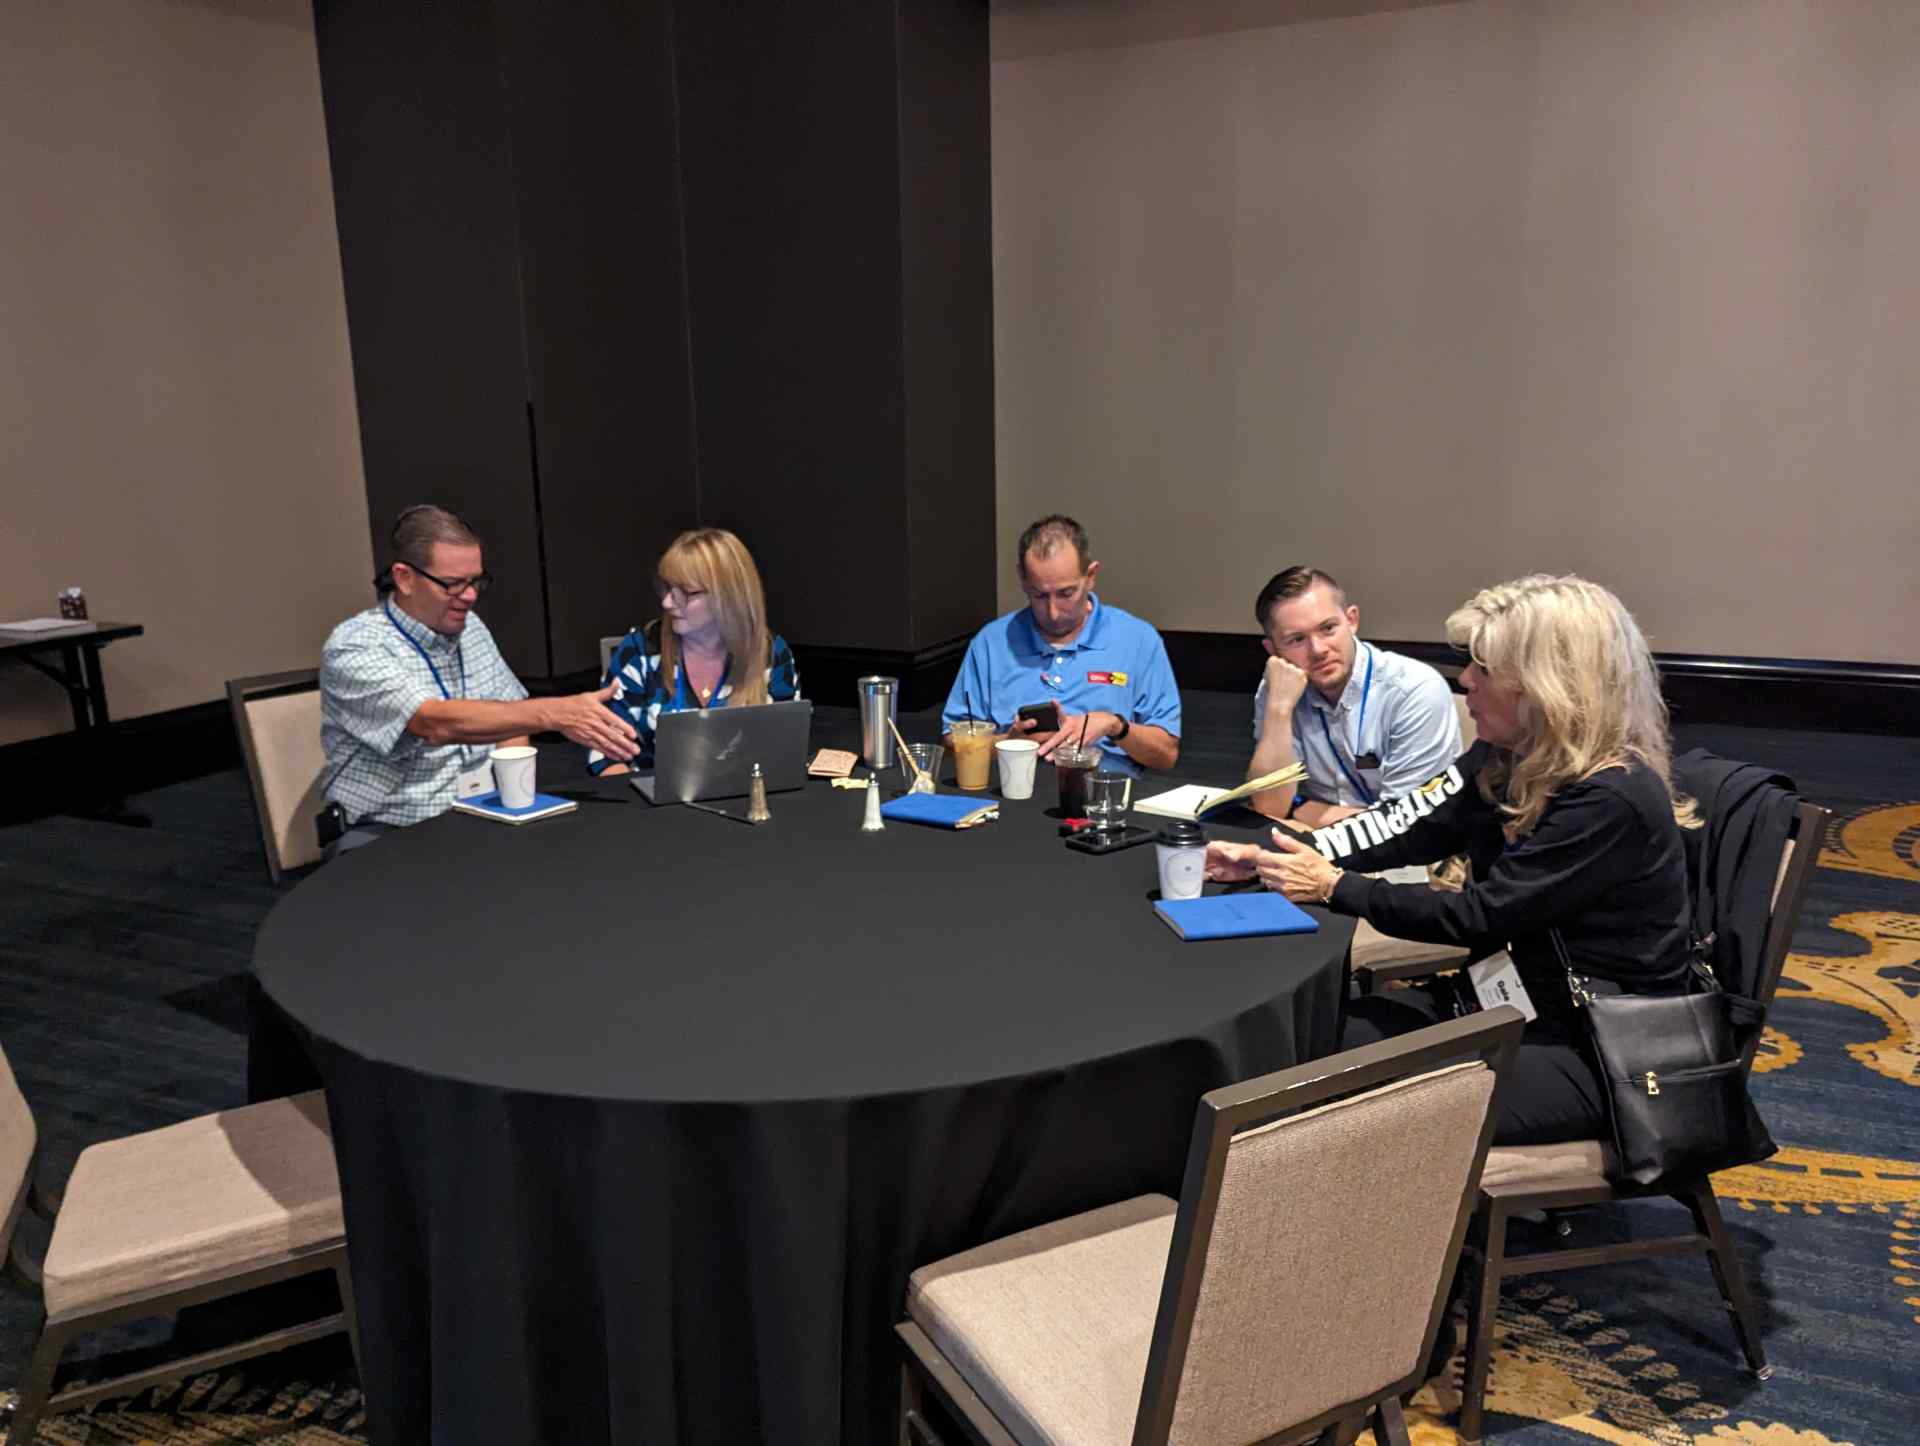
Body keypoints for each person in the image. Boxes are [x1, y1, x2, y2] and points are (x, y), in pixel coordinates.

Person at [1207, 574, 1697, 1146]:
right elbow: (1411, 824)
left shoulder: (1610, 796)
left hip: (1599, 1047)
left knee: (1337, 1101)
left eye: (1483, 670)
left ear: (1547, 687)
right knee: (1307, 1043)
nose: (1464, 681)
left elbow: (1479, 915)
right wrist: (1281, 854)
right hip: (1510, 1001)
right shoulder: (1505, 755)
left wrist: (1333, 886)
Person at [319, 505, 638, 853]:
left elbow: (511, 715)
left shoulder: (470, 628)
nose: (470, 596)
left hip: (479, 812)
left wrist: (515, 796)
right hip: (389, 828)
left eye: (476, 581)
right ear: (404, 578)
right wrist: (554, 712)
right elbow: (432, 723)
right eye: (453, 584)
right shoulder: (355, 646)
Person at [941, 514, 1180, 777]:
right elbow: (953, 742)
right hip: (1013, 793)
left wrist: (1116, 726)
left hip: (1103, 794)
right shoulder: (992, 642)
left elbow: (1166, 755)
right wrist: (1010, 742)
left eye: (1066, 593)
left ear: (1091, 576)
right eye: (1039, 595)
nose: (1053, 612)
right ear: (1022, 578)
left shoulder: (1138, 640)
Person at [1244, 566, 1460, 824]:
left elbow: (1409, 827)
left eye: (1328, 628)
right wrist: (1279, 710)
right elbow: (1269, 806)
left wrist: (1299, 809)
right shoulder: (1280, 690)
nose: (1318, 649)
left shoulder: (1414, 690)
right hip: (1318, 843)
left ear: (1352, 620)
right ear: (1273, 649)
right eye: (1296, 639)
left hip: (1409, 859)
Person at [587, 527, 799, 775]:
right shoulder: (641, 650)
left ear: (730, 596)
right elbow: (606, 756)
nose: (667, 602)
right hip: (648, 805)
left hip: (744, 799)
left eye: (687, 592)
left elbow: (786, 750)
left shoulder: (769, 651)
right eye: (667, 588)